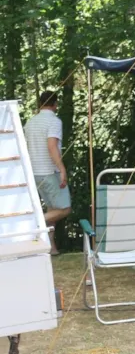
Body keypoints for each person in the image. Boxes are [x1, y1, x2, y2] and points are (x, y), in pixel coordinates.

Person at [24, 90, 71, 255]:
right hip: (49, 171)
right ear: (55, 104)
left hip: (34, 172)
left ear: (40, 103)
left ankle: (52, 248)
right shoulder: (54, 121)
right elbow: (52, 146)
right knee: (64, 209)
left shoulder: (30, 122)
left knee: (52, 208)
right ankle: (33, 224)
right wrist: (62, 169)